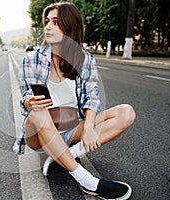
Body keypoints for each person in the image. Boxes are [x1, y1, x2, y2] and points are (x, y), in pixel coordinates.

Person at [17, 2, 136, 200]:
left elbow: (92, 98)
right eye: (47, 21)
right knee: (38, 112)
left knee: (126, 112)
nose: (47, 26)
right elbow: (26, 99)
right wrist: (30, 103)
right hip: (40, 134)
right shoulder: (32, 59)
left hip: (72, 131)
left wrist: (89, 128)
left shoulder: (85, 60)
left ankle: (64, 156)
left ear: (69, 26)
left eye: (55, 22)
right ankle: (90, 182)